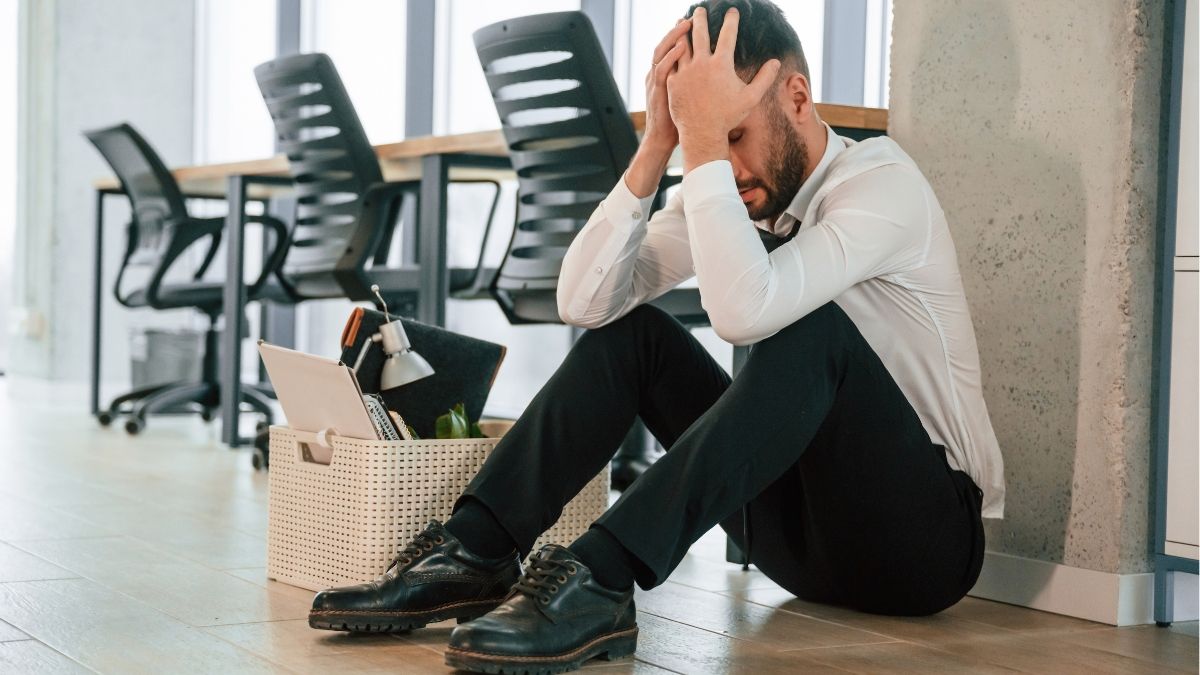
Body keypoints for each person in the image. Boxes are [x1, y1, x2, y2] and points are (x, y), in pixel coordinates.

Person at [307, 1, 1005, 672]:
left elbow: (743, 311)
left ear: (797, 98)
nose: (725, 166)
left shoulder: (882, 185)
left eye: (735, 134)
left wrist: (701, 146)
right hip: (798, 547)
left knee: (810, 328)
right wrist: (656, 147)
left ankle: (600, 578)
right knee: (635, 333)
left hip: (924, 545)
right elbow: (584, 302)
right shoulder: (732, 189)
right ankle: (476, 550)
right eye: (712, 138)